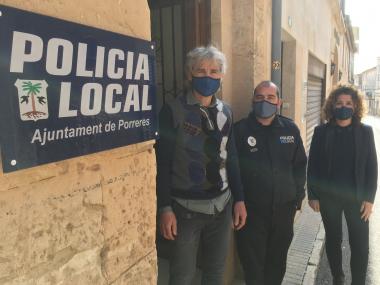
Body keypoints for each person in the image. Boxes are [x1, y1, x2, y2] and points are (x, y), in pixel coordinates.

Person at [155, 45, 247, 285]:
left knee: (215, 273)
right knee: (182, 276)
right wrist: (164, 208)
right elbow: (161, 163)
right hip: (185, 210)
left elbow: (233, 156)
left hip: (222, 206)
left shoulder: (226, 111)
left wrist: (239, 199)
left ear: (221, 76)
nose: (208, 76)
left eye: (214, 71)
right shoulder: (172, 111)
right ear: (190, 74)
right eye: (201, 70)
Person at [234, 81, 307, 285]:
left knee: (277, 263)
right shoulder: (239, 131)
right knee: (253, 266)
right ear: (252, 101)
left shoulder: (290, 129)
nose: (264, 101)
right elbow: (233, 170)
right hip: (251, 214)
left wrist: (297, 198)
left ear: (279, 102)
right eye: (259, 97)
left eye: (270, 97)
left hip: (284, 211)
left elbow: (300, 165)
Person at [307, 84, 377, 285]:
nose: (343, 106)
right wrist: (312, 194)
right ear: (332, 105)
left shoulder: (365, 132)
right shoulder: (321, 131)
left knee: (361, 245)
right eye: (339, 103)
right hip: (329, 197)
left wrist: (369, 199)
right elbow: (313, 165)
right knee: (333, 239)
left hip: (357, 198)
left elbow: (372, 167)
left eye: (348, 103)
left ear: (355, 107)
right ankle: (338, 276)